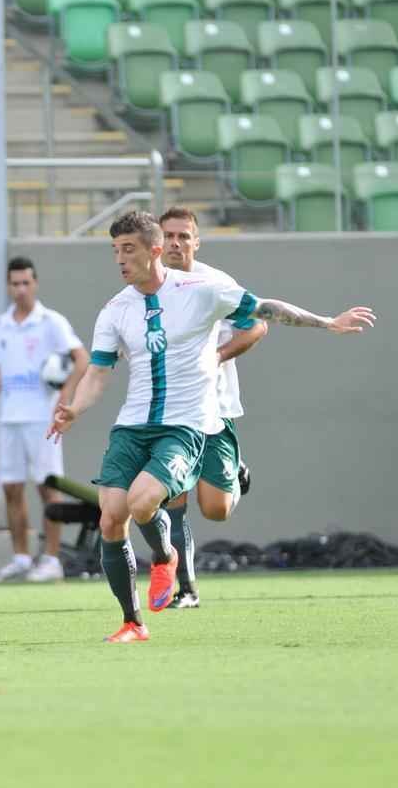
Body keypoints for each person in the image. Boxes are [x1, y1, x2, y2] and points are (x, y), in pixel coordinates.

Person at [49, 211, 374, 643]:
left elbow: (266, 310)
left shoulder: (201, 290)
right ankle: (133, 623)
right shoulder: (115, 310)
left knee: (145, 502)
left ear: (154, 250)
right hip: (131, 426)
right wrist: (75, 408)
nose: (120, 259)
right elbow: (98, 371)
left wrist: (326, 321)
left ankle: (165, 556)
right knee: (111, 518)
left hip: (184, 426)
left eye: (128, 249)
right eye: (116, 251)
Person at [158, 207, 268, 608]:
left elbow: (258, 324)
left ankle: (234, 474)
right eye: (169, 236)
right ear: (157, 242)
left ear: (196, 242)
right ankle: (186, 589)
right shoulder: (149, 287)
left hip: (214, 409)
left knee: (215, 509)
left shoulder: (216, 283)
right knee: (172, 499)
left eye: (183, 236)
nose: (175, 243)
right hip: (169, 413)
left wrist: (218, 355)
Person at [0, 256, 87, 583]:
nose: (20, 289)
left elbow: (82, 359)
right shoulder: (1, 324)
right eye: (15, 283)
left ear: (35, 284)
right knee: (11, 489)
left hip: (42, 420)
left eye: (25, 283)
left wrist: (65, 395)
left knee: (48, 488)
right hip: (10, 419)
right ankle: (20, 558)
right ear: (8, 286)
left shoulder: (51, 322)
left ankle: (52, 559)